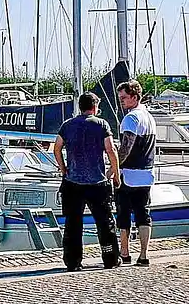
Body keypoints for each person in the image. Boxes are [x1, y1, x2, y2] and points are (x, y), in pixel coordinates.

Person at [54, 92, 121, 271]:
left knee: (73, 224)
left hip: (73, 182)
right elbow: (111, 149)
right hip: (97, 181)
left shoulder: (67, 125)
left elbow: (57, 148)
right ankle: (110, 258)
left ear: (80, 106)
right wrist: (116, 173)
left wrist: (63, 169)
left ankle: (73, 261)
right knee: (105, 222)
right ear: (94, 107)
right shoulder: (101, 124)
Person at [116, 79, 156, 266]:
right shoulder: (149, 117)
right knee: (143, 214)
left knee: (123, 214)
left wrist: (114, 167)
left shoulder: (131, 118)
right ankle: (144, 254)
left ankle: (124, 253)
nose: (121, 101)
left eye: (124, 98)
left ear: (134, 97)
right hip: (146, 173)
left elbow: (126, 147)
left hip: (129, 175)